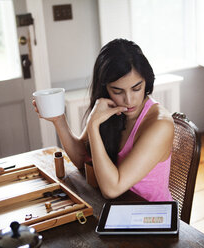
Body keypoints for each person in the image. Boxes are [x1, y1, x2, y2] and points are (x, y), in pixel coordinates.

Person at [33, 39, 174, 201]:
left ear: (147, 82)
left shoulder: (160, 124)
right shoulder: (110, 110)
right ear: (105, 88)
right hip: (117, 210)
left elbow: (112, 189)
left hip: (152, 218)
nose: (128, 100)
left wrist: (93, 124)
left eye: (136, 88)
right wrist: (59, 120)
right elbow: (81, 159)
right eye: (117, 91)